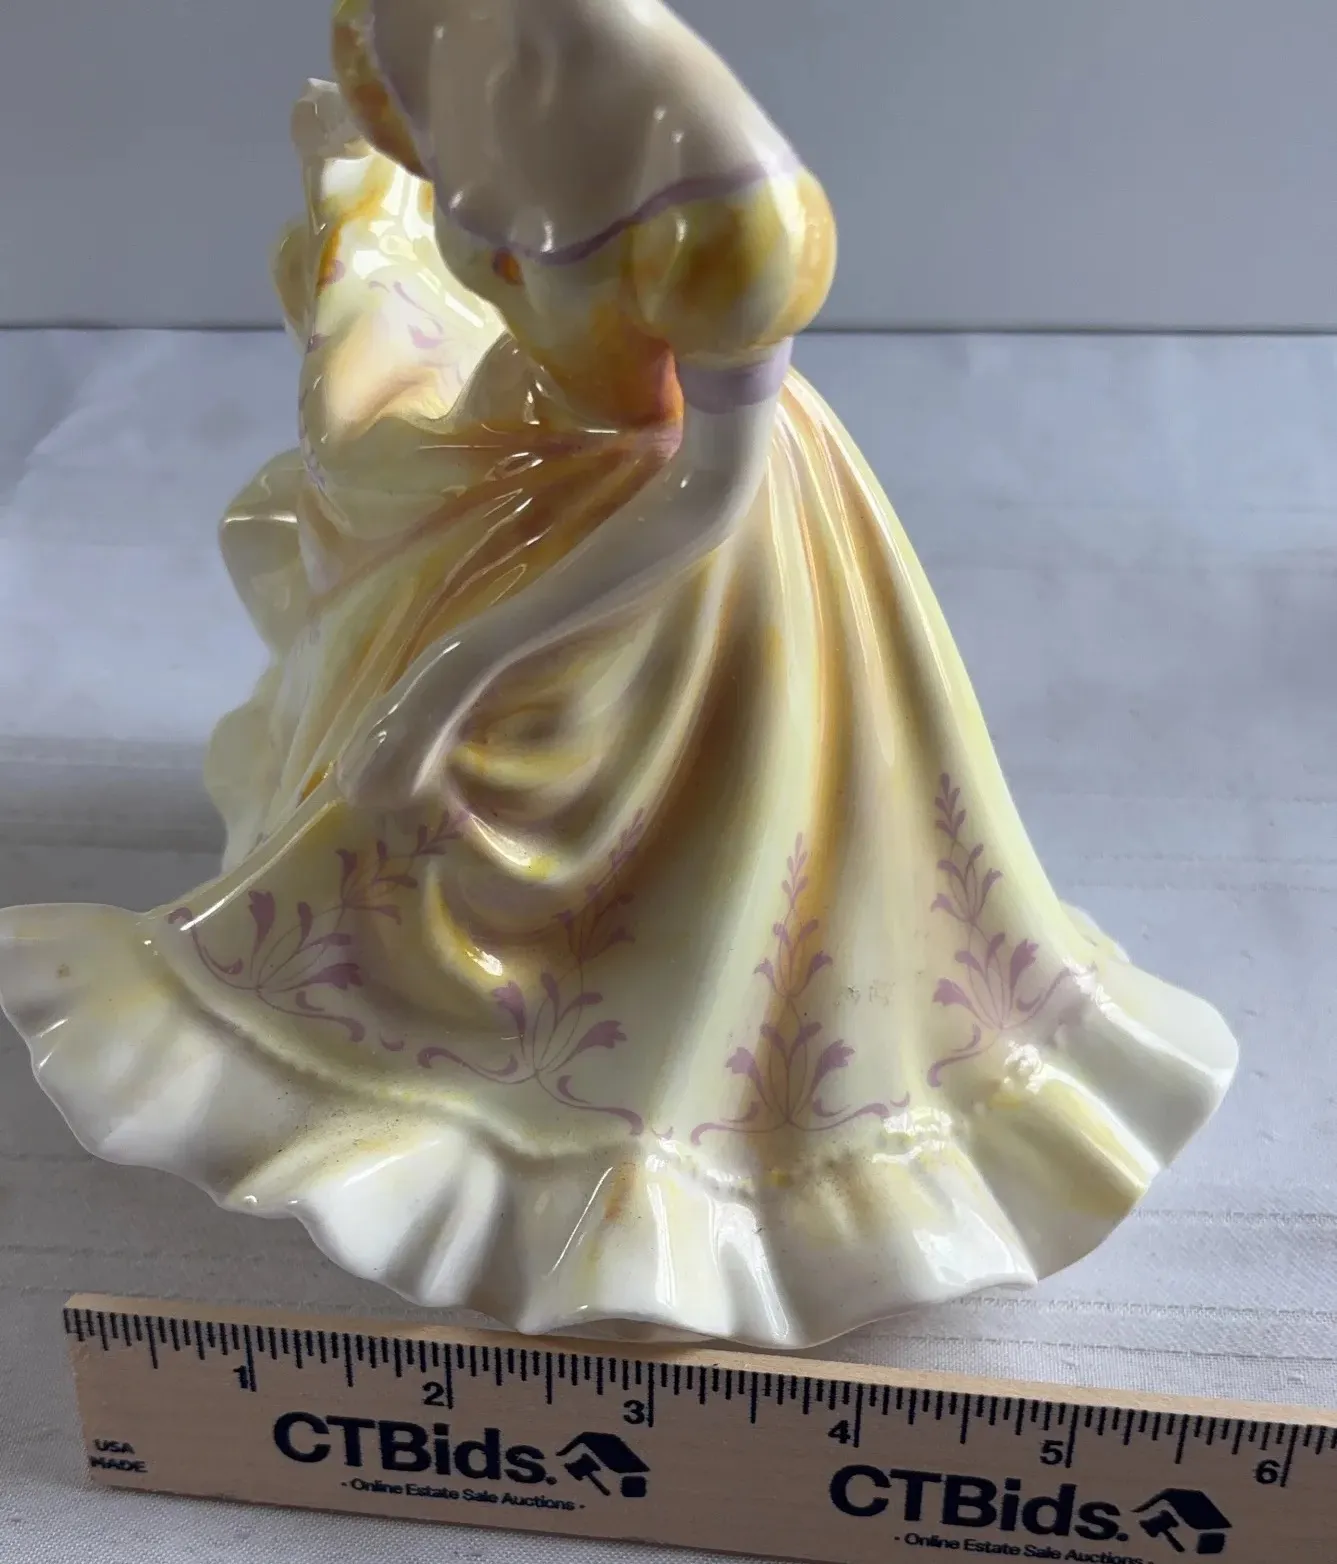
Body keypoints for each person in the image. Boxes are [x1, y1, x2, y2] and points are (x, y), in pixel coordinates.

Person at [0, 0, 1236, 1346]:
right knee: (368, 706)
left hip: (676, 546)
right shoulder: (444, 25)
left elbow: (709, 491)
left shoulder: (734, 200)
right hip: (515, 451)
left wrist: (456, 673)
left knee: (572, 822)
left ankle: (621, 1184)